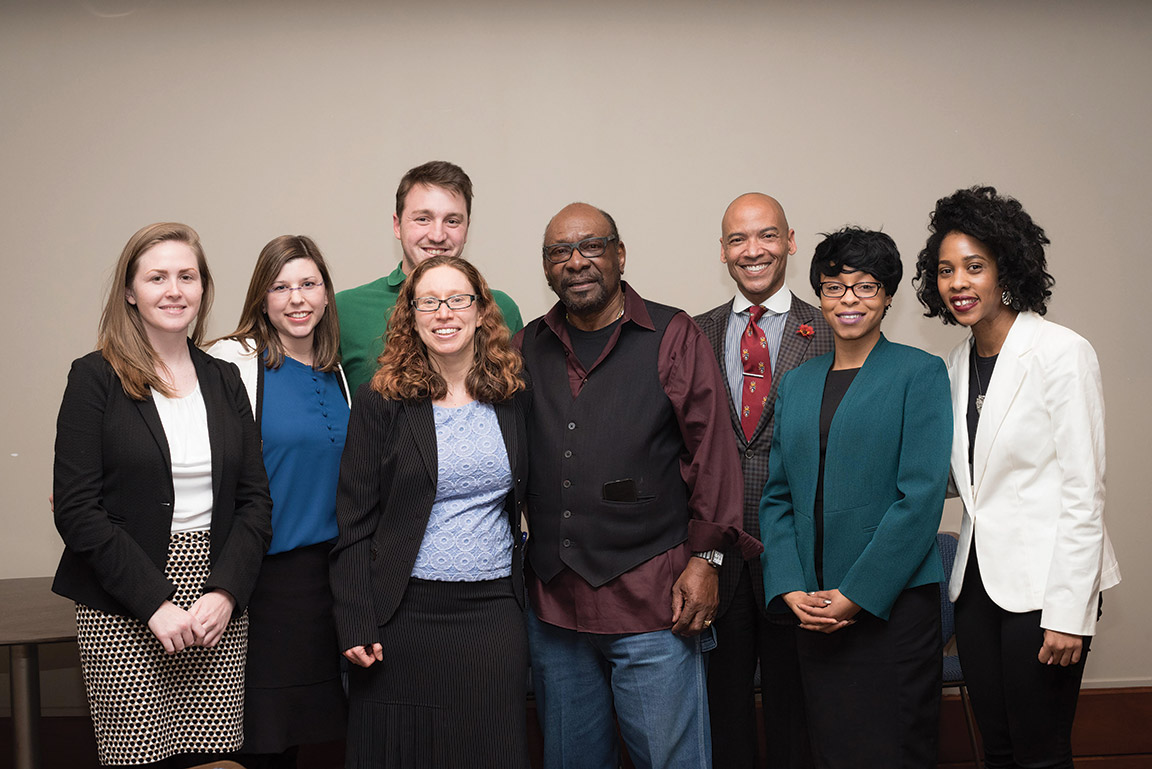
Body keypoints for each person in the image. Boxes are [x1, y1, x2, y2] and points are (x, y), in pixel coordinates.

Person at [517, 202, 760, 769]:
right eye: (559, 252)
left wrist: (707, 562)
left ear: (620, 255)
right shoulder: (527, 345)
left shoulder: (674, 335)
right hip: (555, 607)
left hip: (654, 601)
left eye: (591, 246)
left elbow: (713, 454)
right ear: (548, 268)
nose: (576, 262)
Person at [913, 185, 1121, 769]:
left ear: (1007, 268)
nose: (958, 283)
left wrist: (1068, 613)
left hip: (1046, 588)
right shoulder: (954, 365)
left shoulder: (1061, 352)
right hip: (976, 587)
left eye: (974, 267)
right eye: (947, 270)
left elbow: (1085, 493)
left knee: (1040, 753)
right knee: (998, 749)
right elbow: (967, 480)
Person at [52, 222, 272, 767]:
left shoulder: (224, 379)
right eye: (157, 277)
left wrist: (226, 593)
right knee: (140, 758)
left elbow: (254, 502)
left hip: (213, 599)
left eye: (186, 276)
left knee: (213, 757)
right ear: (130, 291)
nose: (174, 290)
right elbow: (77, 509)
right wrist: (154, 601)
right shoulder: (94, 377)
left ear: (203, 287)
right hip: (123, 599)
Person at [759, 227, 951, 769]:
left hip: (892, 607)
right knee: (830, 750)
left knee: (893, 750)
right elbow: (776, 498)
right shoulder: (797, 382)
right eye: (834, 286)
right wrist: (790, 585)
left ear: (888, 295)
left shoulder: (920, 372)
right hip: (814, 606)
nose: (849, 300)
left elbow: (921, 497)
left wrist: (858, 594)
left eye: (865, 286)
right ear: (818, 294)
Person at [330, 255, 531, 768]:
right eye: (429, 302)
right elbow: (354, 519)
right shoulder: (383, 400)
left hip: (491, 617)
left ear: (481, 310)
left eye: (458, 299)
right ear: (411, 315)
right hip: (402, 618)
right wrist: (356, 620)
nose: (445, 313)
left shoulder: (513, 396)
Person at [694, 193, 831, 769]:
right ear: (722, 250)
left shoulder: (830, 331)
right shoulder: (691, 334)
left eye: (767, 236)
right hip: (716, 561)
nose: (754, 251)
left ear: (791, 240)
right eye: (738, 239)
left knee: (797, 716)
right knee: (721, 716)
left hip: (800, 559)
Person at [206, 235, 350, 768]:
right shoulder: (231, 361)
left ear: (326, 294)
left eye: (309, 284)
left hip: (324, 581)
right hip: (259, 581)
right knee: (258, 742)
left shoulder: (336, 371)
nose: (297, 298)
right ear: (261, 297)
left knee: (304, 738)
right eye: (281, 286)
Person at [336, 160, 524, 392]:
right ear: (397, 225)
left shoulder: (499, 307)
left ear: (467, 229)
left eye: (452, 221)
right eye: (423, 219)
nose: (437, 235)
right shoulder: (344, 310)